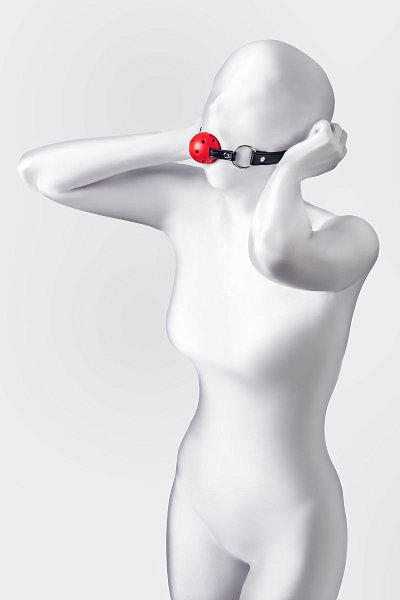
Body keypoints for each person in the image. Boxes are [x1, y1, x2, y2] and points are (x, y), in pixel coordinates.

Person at [17, 39, 379, 600]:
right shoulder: (188, 204)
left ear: (308, 135)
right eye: (218, 92)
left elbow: (276, 255)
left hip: (292, 523)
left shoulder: (348, 238)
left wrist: (292, 169)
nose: (221, 109)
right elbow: (42, 174)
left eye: (248, 98)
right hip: (198, 499)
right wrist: (183, 142)